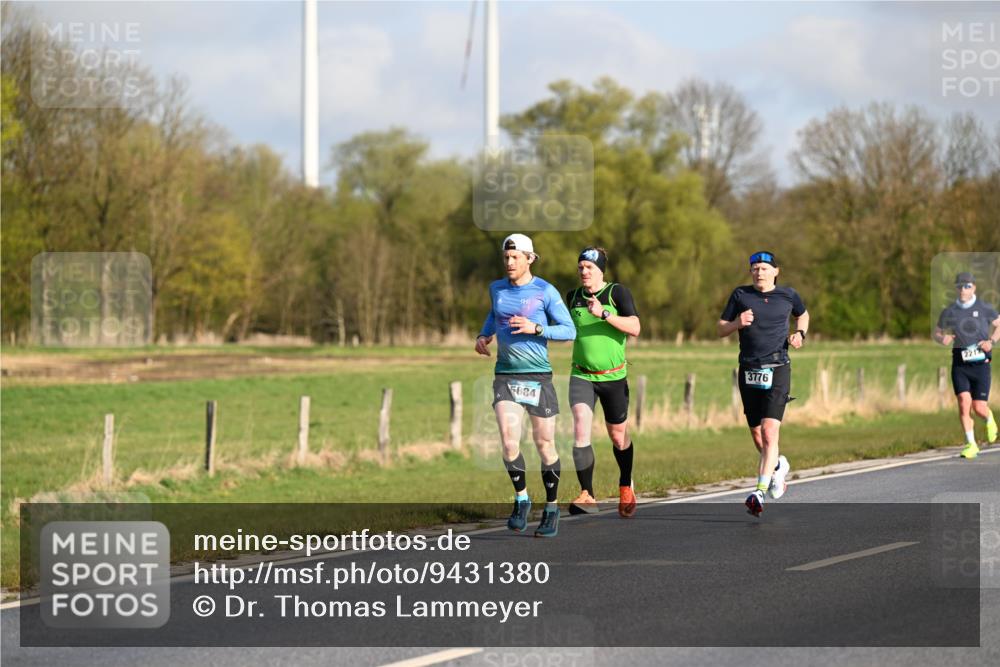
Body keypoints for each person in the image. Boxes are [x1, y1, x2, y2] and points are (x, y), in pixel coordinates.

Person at [476, 233, 576, 537]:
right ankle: (521, 499)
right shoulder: (497, 289)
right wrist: (484, 335)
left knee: (545, 444)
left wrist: (536, 328)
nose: (509, 262)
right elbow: (494, 314)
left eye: (515, 257)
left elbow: (569, 330)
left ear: (529, 259)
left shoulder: (545, 291)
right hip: (506, 375)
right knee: (509, 442)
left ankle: (552, 508)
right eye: (506, 257)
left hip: (538, 377)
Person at [717, 251, 809, 517]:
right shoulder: (740, 295)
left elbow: (803, 315)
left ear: (776, 271)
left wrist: (800, 334)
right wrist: (737, 323)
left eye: (764, 268)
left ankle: (759, 492)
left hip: (778, 368)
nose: (759, 272)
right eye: (755, 268)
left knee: (769, 432)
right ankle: (778, 465)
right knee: (758, 435)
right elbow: (721, 328)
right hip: (749, 370)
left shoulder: (788, 295)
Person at [564, 247, 642, 518]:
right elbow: (565, 330)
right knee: (580, 428)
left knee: (618, 436)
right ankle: (587, 494)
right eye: (581, 267)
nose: (584, 272)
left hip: (614, 377)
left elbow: (635, 328)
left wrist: (604, 314)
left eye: (589, 267)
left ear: (600, 270)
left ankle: (626, 484)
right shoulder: (572, 297)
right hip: (581, 375)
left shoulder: (616, 293)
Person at [933, 272, 1000, 459]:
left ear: (974, 288)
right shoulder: (950, 311)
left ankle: (989, 418)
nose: (963, 289)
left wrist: (991, 342)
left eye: (967, 286)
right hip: (960, 365)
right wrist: (942, 338)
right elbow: (937, 332)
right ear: (956, 288)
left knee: (979, 407)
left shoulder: (985, 308)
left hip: (980, 365)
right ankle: (971, 444)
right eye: (960, 286)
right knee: (964, 403)